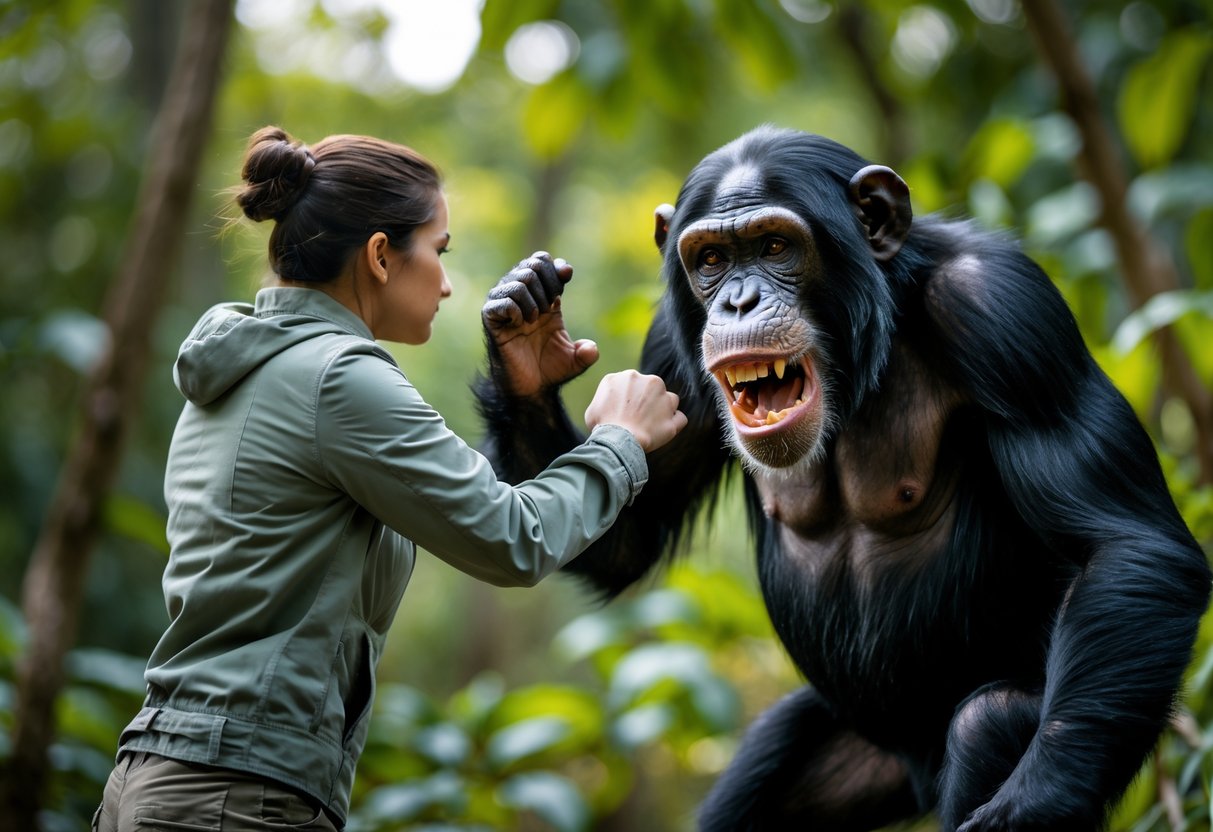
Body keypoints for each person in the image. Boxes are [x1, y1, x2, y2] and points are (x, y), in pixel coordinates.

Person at [92, 126, 686, 831]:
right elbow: (512, 539)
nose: (445, 281)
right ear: (380, 256)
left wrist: (524, 400)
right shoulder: (338, 377)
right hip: (236, 795)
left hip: (166, 778)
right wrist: (620, 441)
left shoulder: (246, 369)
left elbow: (462, 506)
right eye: (438, 251)